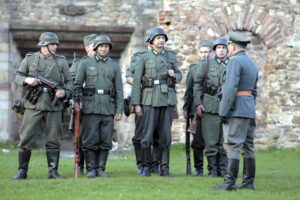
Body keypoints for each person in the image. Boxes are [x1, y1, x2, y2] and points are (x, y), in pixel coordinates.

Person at [13, 32, 73, 179]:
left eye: (56, 44)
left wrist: (63, 93)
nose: (55, 47)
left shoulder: (61, 61)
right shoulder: (30, 58)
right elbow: (17, 76)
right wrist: (27, 80)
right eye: (52, 44)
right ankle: (22, 170)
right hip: (33, 104)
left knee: (53, 139)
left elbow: (70, 82)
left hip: (54, 105)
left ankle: (53, 171)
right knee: (25, 138)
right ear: (44, 45)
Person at [131, 27, 182, 177]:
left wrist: (174, 75)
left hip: (167, 100)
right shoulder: (143, 57)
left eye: (162, 38)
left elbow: (179, 75)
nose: (161, 40)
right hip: (149, 99)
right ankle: (146, 167)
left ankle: (164, 168)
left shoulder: (171, 56)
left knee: (165, 136)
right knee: (146, 136)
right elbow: (136, 83)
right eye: (157, 38)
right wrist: (137, 104)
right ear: (151, 41)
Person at [73, 35, 123, 178]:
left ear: (109, 48)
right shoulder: (85, 63)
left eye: (106, 46)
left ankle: (101, 168)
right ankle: (91, 169)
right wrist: (77, 102)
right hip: (90, 107)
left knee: (105, 140)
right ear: (95, 48)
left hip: (108, 107)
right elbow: (77, 85)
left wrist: (119, 109)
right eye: (101, 46)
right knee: (90, 140)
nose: (103, 48)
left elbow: (119, 89)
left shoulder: (114, 66)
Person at [214, 30, 258, 190]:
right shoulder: (252, 64)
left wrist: (223, 111)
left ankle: (229, 182)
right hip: (249, 108)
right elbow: (254, 91)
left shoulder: (234, 62)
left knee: (233, 144)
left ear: (232, 46)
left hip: (237, 109)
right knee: (248, 146)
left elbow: (230, 88)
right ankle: (248, 183)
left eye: (228, 46)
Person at [125, 29, 162, 175]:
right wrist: (142, 83)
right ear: (149, 41)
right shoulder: (139, 56)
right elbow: (129, 76)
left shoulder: (165, 56)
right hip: (142, 98)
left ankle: (155, 164)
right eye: (155, 38)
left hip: (159, 99)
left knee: (158, 134)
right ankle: (141, 163)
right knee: (140, 134)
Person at [193, 37, 229, 177]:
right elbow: (197, 84)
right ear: (214, 51)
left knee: (224, 141)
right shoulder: (206, 64)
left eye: (224, 48)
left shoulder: (232, 64)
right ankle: (213, 170)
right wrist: (198, 103)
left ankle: (223, 169)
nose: (221, 50)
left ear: (227, 50)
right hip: (210, 105)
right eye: (218, 48)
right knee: (211, 140)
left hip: (227, 106)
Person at [183, 39, 214, 176]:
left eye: (206, 52)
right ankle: (199, 168)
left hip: (213, 108)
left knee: (213, 140)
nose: (204, 55)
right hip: (197, 110)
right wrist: (186, 108)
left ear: (211, 53)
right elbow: (189, 90)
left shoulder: (216, 67)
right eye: (201, 52)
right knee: (197, 141)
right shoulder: (194, 69)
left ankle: (214, 168)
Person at [69, 33, 97, 175]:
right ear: (87, 48)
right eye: (94, 45)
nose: (98, 47)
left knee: (95, 137)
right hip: (82, 104)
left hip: (98, 105)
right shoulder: (79, 63)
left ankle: (95, 167)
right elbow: (71, 82)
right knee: (80, 137)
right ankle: (80, 164)